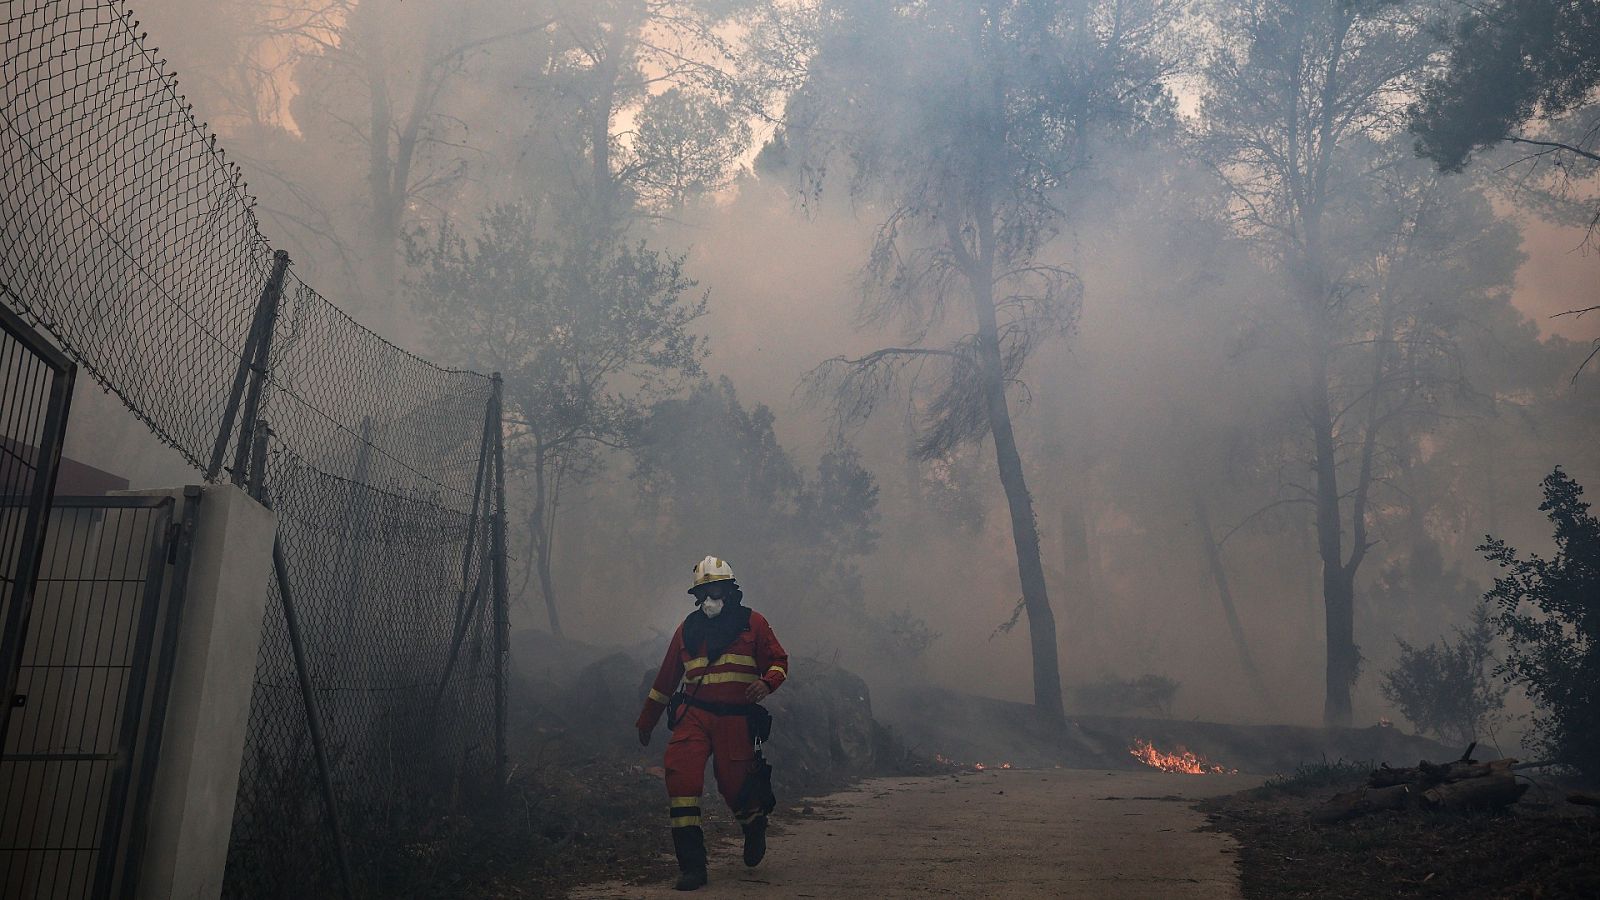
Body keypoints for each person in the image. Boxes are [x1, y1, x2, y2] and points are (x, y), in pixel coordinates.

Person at [636, 556, 789, 892]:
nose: (710, 596)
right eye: (703, 590)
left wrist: (766, 684)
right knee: (681, 779)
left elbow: (779, 662)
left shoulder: (754, 624)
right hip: (695, 716)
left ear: (731, 589)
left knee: (733, 785)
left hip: (735, 720)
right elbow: (664, 682)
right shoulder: (687, 629)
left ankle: (753, 824)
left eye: (716, 588)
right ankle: (692, 866)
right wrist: (646, 722)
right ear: (696, 595)